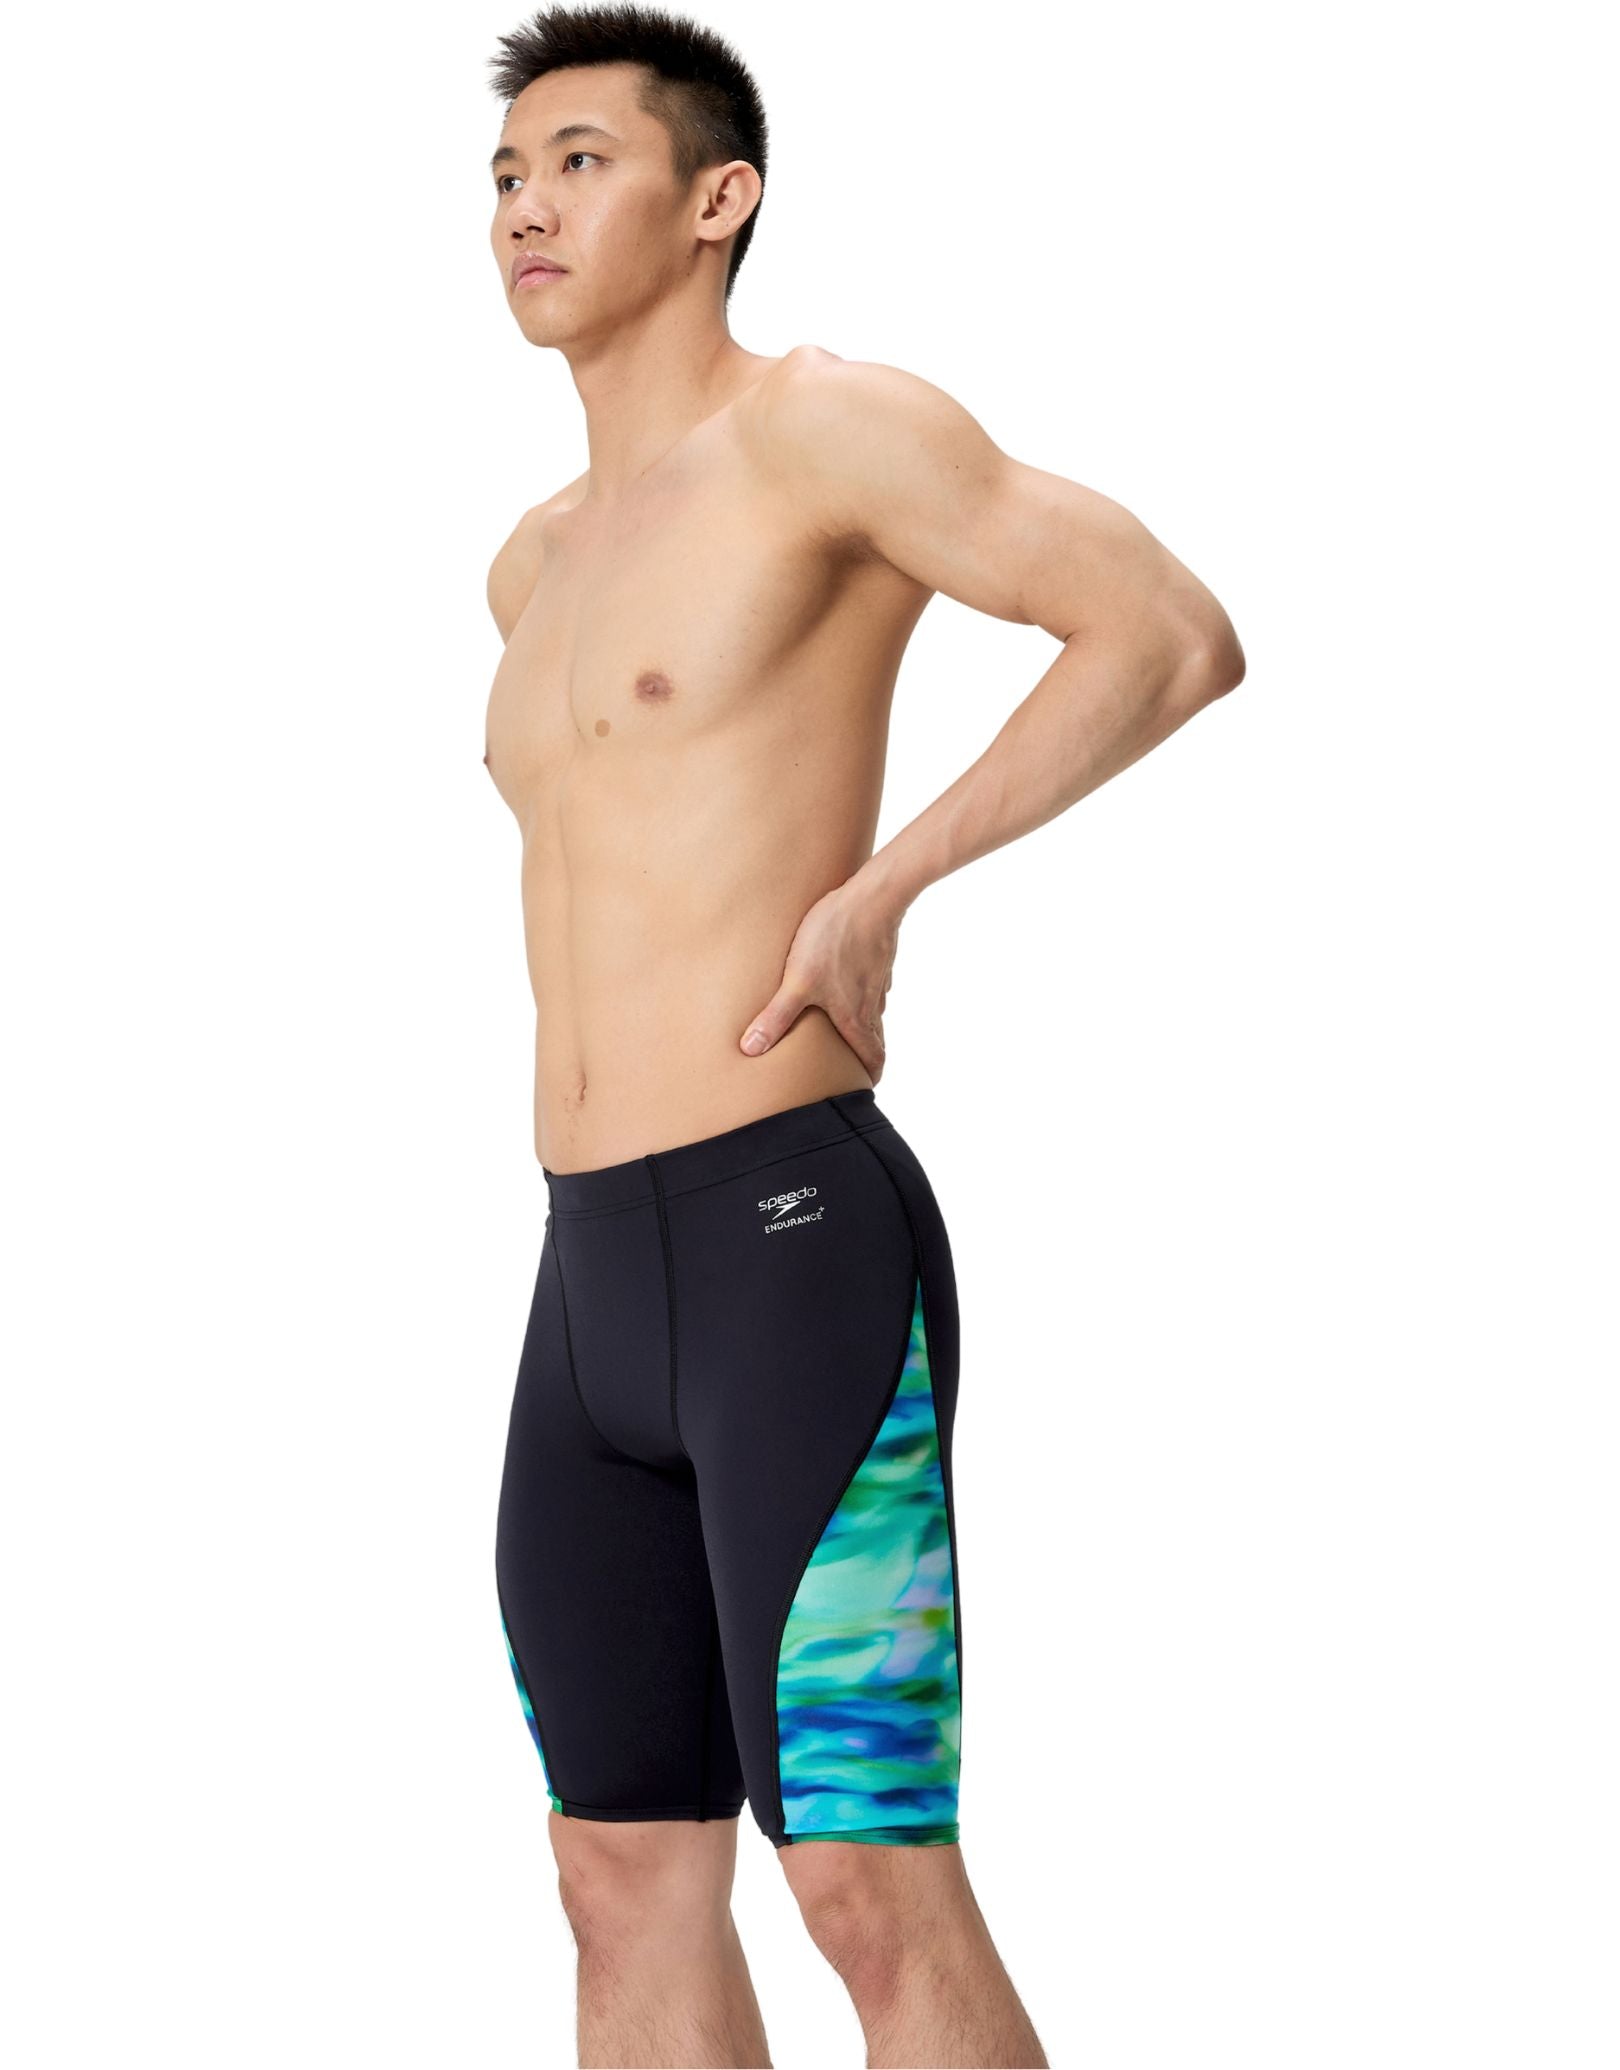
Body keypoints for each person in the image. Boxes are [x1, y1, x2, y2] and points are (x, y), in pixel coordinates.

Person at [481, 7, 1244, 2064]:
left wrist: (882, 888)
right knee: (617, 1871)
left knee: (864, 1879)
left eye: (579, 162)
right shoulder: (531, 568)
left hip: (787, 1237)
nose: (526, 207)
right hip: (585, 1274)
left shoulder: (826, 430)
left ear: (715, 200)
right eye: (506, 175)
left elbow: (1167, 633)